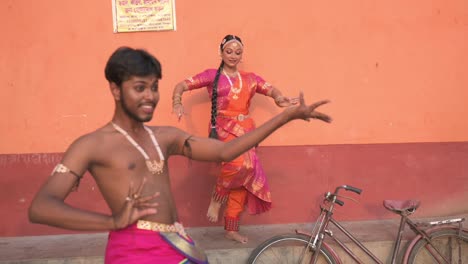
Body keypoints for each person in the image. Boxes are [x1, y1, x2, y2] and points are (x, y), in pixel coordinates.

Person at [28, 46, 332, 264]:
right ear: (115, 89)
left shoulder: (166, 137)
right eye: (139, 88)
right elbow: (41, 207)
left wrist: (285, 117)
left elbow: (226, 150)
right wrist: (112, 219)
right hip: (133, 251)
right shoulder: (91, 145)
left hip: (177, 243)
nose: (150, 96)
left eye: (154, 87)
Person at [172, 35, 300, 243]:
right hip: (223, 129)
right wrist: (177, 102)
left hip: (246, 131)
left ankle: (231, 228)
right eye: (229, 51)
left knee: (245, 177)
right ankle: (217, 197)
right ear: (221, 52)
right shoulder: (211, 75)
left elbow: (270, 89)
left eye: (237, 52)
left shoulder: (250, 78)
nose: (233, 55)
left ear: (242, 55)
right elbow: (181, 85)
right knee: (238, 164)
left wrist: (279, 98)